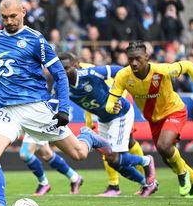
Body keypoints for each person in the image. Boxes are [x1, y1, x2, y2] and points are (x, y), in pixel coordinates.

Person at [0, 0, 111, 206]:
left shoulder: (36, 40)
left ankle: (88, 137)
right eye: (5, 17)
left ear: (23, 12)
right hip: (5, 111)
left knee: (79, 154)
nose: (10, 21)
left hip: (36, 108)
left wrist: (63, 109)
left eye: (13, 16)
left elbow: (60, 76)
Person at [106, 40, 193, 198]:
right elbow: (110, 103)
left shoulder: (163, 70)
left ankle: (182, 174)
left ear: (147, 57)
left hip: (174, 111)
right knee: (167, 157)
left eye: (138, 59)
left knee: (164, 146)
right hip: (154, 119)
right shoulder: (123, 76)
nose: (134, 63)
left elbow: (190, 66)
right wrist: (112, 107)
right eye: (131, 59)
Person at [58, 52, 157, 197]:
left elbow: (120, 71)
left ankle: (147, 161)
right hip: (103, 118)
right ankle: (146, 183)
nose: (64, 72)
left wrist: (118, 94)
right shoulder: (59, 85)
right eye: (60, 69)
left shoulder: (90, 73)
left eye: (66, 68)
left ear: (76, 66)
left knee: (115, 156)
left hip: (120, 113)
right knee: (112, 161)